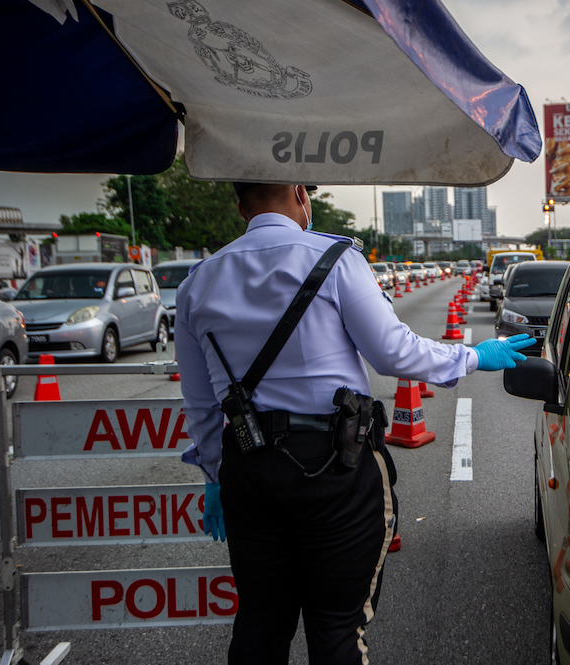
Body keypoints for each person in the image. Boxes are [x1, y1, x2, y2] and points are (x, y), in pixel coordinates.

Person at [175, 182, 535, 665]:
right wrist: (472, 355)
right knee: (337, 629)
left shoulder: (197, 281)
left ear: (240, 206)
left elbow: (199, 404)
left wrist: (215, 476)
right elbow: (393, 352)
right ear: (302, 195)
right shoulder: (336, 259)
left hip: (249, 470)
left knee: (260, 625)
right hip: (335, 468)